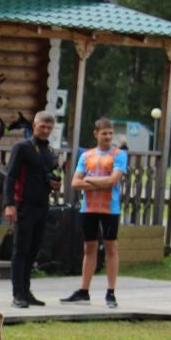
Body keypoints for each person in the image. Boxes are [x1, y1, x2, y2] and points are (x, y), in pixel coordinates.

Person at [61, 117, 126, 308]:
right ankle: (84, 290)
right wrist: (100, 182)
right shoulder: (86, 155)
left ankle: (111, 291)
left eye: (110, 133)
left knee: (111, 247)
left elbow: (112, 181)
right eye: (104, 133)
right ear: (96, 134)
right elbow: (75, 183)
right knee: (89, 247)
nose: (108, 137)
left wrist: (89, 180)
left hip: (110, 208)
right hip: (89, 208)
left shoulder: (119, 154)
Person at [3, 111, 61, 308]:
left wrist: (54, 184)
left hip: (42, 205)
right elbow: (10, 176)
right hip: (23, 205)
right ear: (34, 125)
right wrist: (9, 204)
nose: (45, 130)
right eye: (42, 126)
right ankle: (17, 293)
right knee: (20, 250)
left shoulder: (50, 151)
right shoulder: (22, 147)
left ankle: (27, 291)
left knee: (33, 250)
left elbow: (47, 175)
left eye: (49, 127)